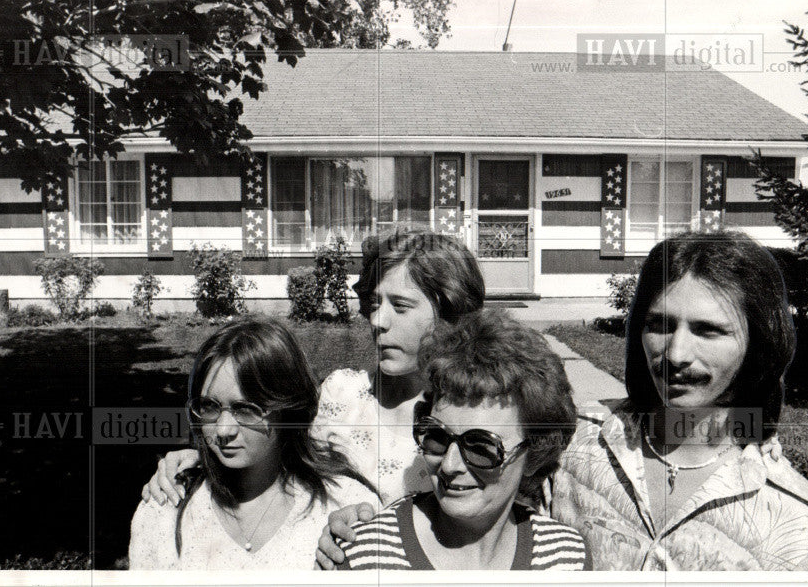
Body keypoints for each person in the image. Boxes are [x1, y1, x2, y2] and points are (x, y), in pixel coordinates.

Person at [551, 230, 808, 570]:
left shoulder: (799, 524)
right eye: (659, 325)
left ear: (758, 345)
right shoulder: (571, 446)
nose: (675, 354)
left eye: (707, 330)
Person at [140, 230, 486, 507]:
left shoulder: (474, 415)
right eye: (375, 303)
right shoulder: (342, 393)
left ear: (449, 314)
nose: (378, 320)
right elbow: (276, 454)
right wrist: (199, 459)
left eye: (400, 306)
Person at [338, 310, 588, 570]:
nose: (449, 466)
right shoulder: (367, 558)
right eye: (437, 437)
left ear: (535, 454)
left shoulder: (566, 558)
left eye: (481, 447)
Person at [128, 316, 377, 570]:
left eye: (246, 409)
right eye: (209, 407)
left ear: (289, 410)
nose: (223, 430)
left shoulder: (345, 506)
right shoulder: (164, 511)